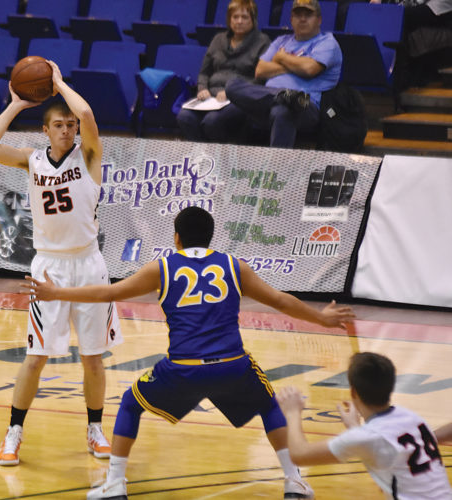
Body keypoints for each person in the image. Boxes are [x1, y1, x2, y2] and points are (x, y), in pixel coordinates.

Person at [23, 206, 355, 499]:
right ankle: (293, 480)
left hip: (183, 368)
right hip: (231, 365)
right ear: (210, 238)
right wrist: (322, 319)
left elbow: (110, 292)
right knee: (269, 404)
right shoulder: (233, 266)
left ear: (177, 238)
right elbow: (282, 300)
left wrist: (56, 293)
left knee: (130, 403)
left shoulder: (162, 268)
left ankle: (114, 484)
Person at [0, 61, 122, 466]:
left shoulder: (89, 157)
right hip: (49, 267)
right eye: (58, 125)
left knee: (93, 356)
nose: (66, 130)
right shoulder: (32, 161)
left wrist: (58, 83)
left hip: (89, 266)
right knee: (36, 356)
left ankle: (95, 429)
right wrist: (16, 104)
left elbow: (89, 113)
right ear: (46, 130)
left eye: (70, 125)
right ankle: (13, 432)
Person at [276, 352, 452, 499]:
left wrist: (292, 412)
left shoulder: (366, 437)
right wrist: (354, 425)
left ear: (353, 391)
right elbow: (381, 446)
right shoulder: (412, 418)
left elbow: (300, 455)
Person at [225, 0, 342, 148]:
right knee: (232, 86)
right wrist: (296, 64)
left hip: (306, 103)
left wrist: (281, 58)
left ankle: (278, 168)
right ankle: (282, 96)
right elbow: (260, 71)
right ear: (291, 19)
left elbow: (309, 69)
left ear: (319, 20)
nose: (303, 19)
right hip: (268, 99)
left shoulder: (327, 42)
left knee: (283, 112)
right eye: (298, 15)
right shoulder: (281, 41)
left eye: (308, 15)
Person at [176, 0, 270, 143]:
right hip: (211, 98)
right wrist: (202, 88)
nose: (239, 21)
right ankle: (204, 158)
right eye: (235, 17)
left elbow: (260, 79)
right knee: (184, 117)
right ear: (229, 19)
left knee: (211, 121)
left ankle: (220, 160)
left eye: (244, 17)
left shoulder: (263, 42)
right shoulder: (218, 39)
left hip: (240, 99)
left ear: (253, 19)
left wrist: (233, 92)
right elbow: (204, 73)